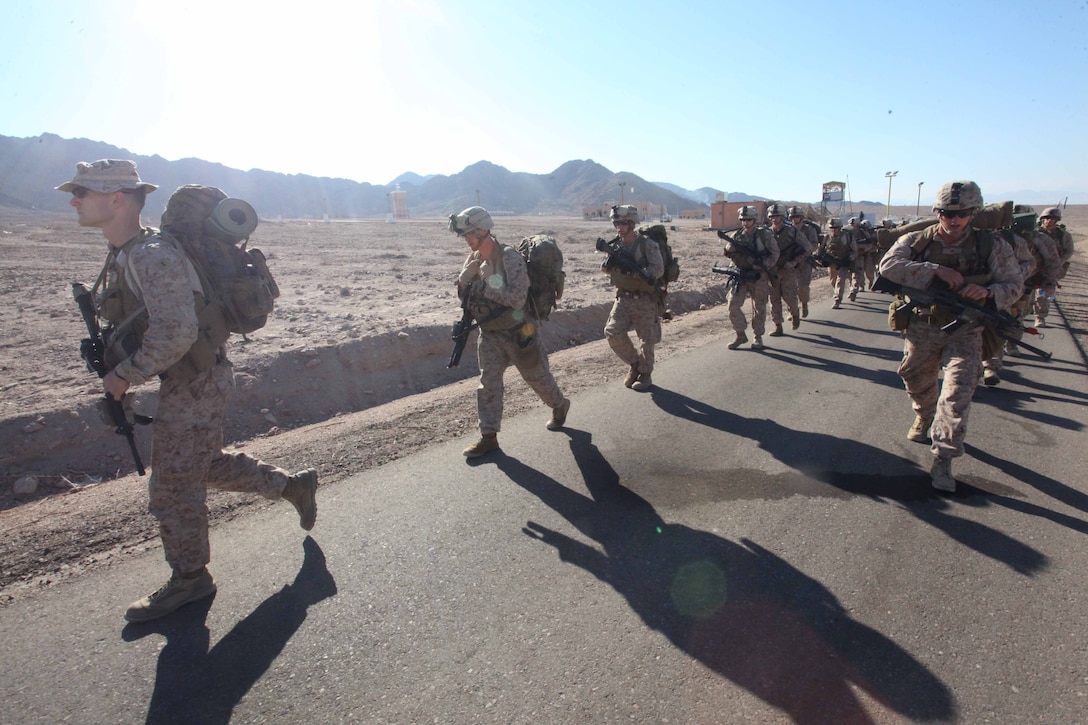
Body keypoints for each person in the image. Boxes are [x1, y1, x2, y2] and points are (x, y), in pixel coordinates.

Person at [58, 159, 318, 622]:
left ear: (116, 199)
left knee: (173, 488)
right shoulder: (127, 252)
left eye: (82, 192)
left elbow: (177, 332)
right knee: (202, 464)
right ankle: (292, 486)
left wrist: (125, 375)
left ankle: (191, 579)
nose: (74, 200)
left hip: (195, 379)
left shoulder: (149, 255)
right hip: (191, 376)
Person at [878, 181, 1022, 492]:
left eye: (962, 213)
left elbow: (1014, 284)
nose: (953, 220)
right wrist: (934, 271)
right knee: (914, 376)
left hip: (967, 329)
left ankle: (943, 457)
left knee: (957, 393)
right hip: (923, 328)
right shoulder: (917, 240)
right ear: (937, 212)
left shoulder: (991, 245)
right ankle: (924, 415)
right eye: (946, 213)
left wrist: (987, 291)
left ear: (974, 213)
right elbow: (888, 266)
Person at [449, 206, 570, 457]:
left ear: (484, 230)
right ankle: (489, 436)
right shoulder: (474, 258)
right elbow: (466, 295)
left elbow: (516, 299)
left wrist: (488, 279)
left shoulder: (509, 258)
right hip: (490, 334)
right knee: (488, 384)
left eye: (470, 234)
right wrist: (463, 281)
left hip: (519, 333)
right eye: (465, 235)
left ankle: (559, 404)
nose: (467, 239)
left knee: (538, 379)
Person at [601, 204, 665, 390]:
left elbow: (658, 269)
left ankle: (645, 374)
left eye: (622, 223)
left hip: (644, 299)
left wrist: (636, 272)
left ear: (631, 223)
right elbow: (605, 269)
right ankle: (635, 364)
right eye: (616, 223)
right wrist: (612, 264)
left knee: (647, 339)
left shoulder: (647, 245)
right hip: (623, 298)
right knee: (612, 332)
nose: (618, 227)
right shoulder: (616, 244)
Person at [723, 205, 779, 349]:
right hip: (741, 275)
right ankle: (740, 334)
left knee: (759, 307)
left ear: (754, 220)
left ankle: (758, 337)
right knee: (732, 305)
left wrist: (761, 265)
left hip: (758, 275)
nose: (745, 222)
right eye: (743, 219)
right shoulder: (737, 235)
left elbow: (775, 253)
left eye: (748, 219)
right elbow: (730, 252)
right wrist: (730, 251)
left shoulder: (764, 235)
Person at [766, 203, 813, 335]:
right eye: (772, 217)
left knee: (790, 297)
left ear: (782, 217)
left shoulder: (792, 231)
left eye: (777, 216)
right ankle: (778, 326)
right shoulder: (767, 233)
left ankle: (795, 314)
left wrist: (794, 262)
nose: (774, 219)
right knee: (774, 299)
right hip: (773, 271)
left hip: (788, 270)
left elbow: (808, 248)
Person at [1035, 207, 1075, 327]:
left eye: (1052, 218)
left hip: (1051, 269)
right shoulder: (1035, 233)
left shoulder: (1063, 235)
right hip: (1034, 267)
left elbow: (1069, 250)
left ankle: (1040, 317)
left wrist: (1058, 262)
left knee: (1044, 292)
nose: (1049, 221)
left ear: (1057, 220)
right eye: (1046, 218)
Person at [789, 206, 821, 319]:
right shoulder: (788, 230)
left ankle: (804, 304)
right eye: (793, 217)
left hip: (805, 262)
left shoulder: (809, 229)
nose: (795, 219)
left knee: (803, 287)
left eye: (797, 216)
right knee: (791, 289)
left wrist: (804, 253)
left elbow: (814, 245)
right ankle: (792, 310)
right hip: (791, 262)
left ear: (801, 217)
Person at [819, 218, 856, 309]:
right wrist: (820, 257)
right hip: (832, 263)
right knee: (833, 280)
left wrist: (849, 259)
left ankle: (837, 300)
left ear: (840, 228)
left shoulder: (847, 237)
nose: (834, 230)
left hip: (843, 262)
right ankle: (837, 293)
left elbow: (854, 250)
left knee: (841, 280)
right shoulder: (827, 237)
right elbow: (822, 249)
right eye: (832, 228)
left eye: (836, 228)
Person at [849, 217, 877, 297]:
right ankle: (855, 288)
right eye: (851, 225)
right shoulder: (847, 233)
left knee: (865, 272)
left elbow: (870, 244)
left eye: (854, 225)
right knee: (851, 275)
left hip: (863, 255)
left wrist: (863, 249)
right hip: (851, 257)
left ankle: (859, 287)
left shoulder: (864, 234)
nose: (852, 226)